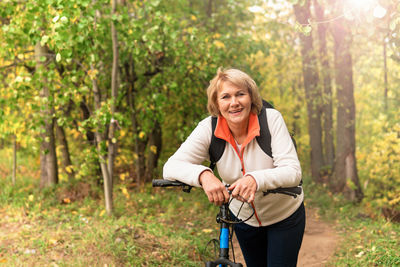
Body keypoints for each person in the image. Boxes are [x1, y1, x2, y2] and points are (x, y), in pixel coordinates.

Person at [163, 68, 305, 267]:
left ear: (251, 97)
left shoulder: (271, 120)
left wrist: (255, 179)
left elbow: (292, 171)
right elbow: (171, 166)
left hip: (284, 216)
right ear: (216, 103)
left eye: (240, 94)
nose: (234, 103)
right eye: (225, 97)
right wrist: (204, 175)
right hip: (243, 219)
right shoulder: (208, 129)